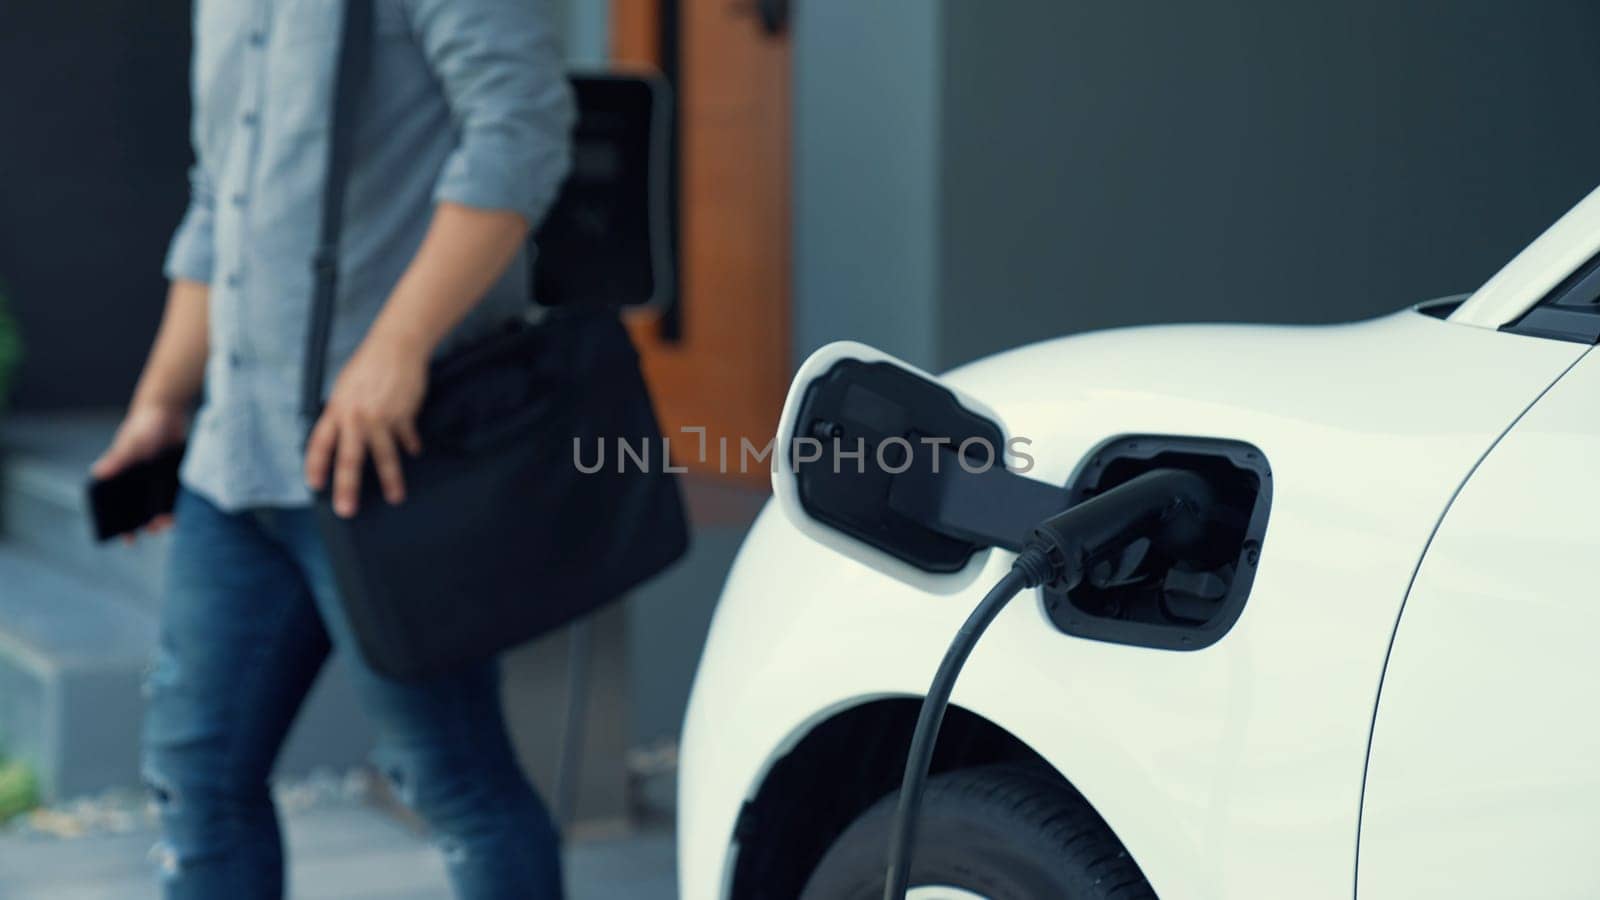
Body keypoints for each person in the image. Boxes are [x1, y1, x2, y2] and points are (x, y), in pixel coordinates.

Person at [90, 1, 574, 897]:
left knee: (452, 779)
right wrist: (162, 400)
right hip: (234, 457)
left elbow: (522, 133)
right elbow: (216, 196)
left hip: (387, 460)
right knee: (194, 774)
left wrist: (396, 346)